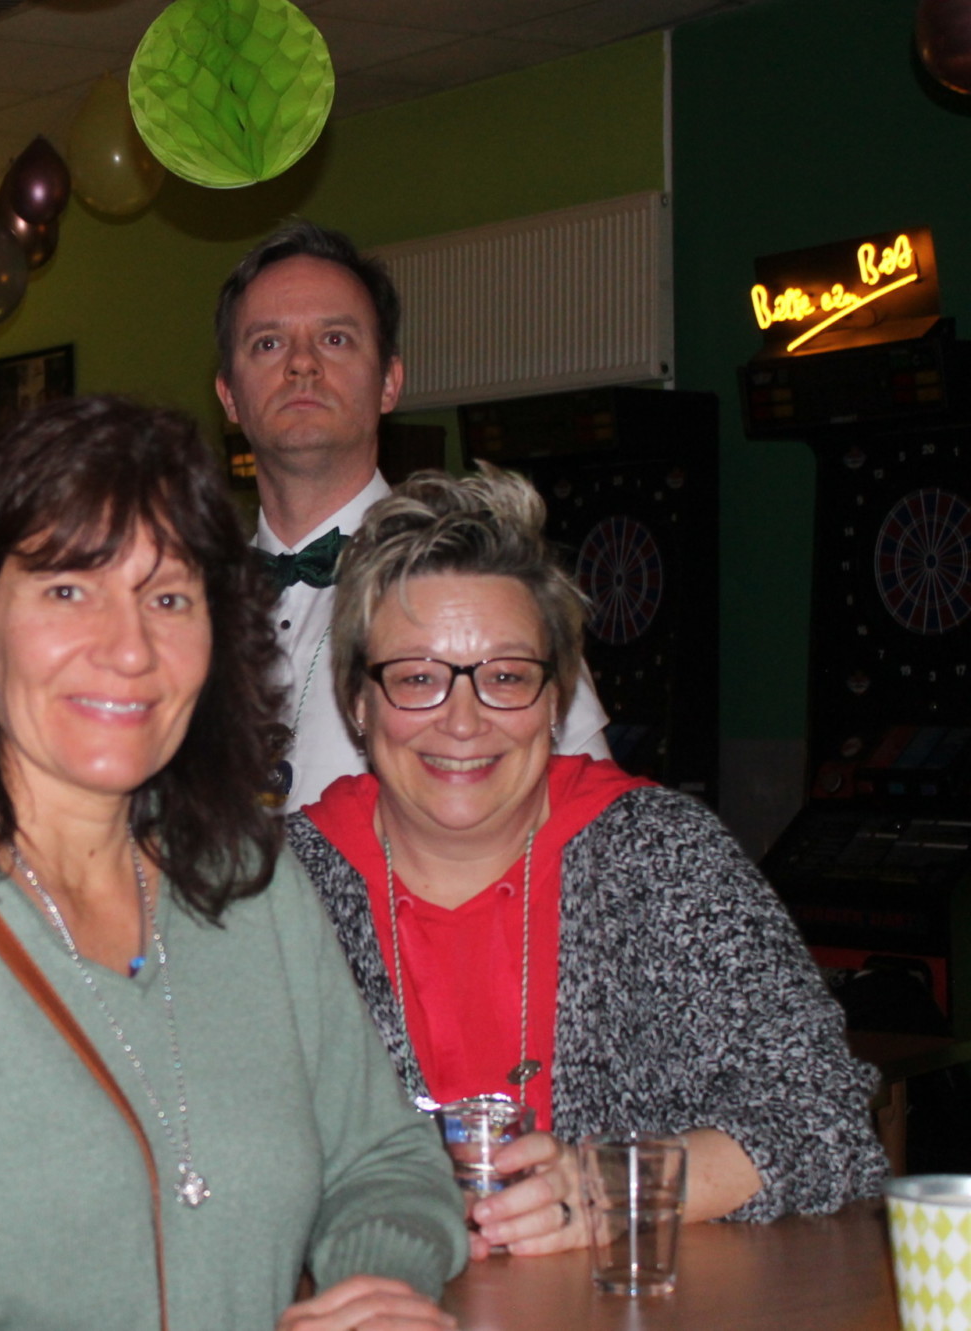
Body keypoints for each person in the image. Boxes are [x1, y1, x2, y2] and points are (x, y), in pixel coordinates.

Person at [0, 397, 466, 1331]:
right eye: (68, 589)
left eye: (169, 597)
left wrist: (376, 1291)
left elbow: (387, 1162)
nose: (129, 647)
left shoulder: (250, 885)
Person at [287, 465, 886, 1259]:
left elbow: (825, 1121)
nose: (463, 720)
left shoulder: (663, 857)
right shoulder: (272, 892)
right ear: (359, 703)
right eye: (418, 678)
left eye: (506, 677)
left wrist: (608, 1187)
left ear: (556, 698)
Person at [213, 222, 611, 812]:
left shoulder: (485, 586)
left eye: (335, 339)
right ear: (228, 395)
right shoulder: (185, 608)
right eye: (268, 343)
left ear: (389, 383)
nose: (301, 364)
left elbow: (594, 823)